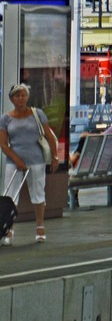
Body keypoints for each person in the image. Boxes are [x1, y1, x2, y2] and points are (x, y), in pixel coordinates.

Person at [0, 83, 59, 244]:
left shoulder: (37, 114)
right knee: (10, 196)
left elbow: (49, 136)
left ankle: (40, 227)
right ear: (12, 99)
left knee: (38, 193)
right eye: (17, 96)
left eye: (23, 95)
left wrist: (55, 157)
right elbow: (3, 144)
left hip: (36, 160)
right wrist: (16, 159)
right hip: (13, 162)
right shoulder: (5, 119)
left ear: (27, 97)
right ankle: (8, 229)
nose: (21, 98)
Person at [69, 98, 112, 168]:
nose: (111, 111)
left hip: (105, 162)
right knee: (92, 134)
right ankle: (74, 157)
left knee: (85, 139)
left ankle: (73, 159)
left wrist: (85, 135)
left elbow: (99, 138)